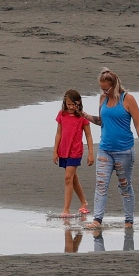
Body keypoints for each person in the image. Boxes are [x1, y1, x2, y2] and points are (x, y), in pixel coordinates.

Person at [86, 67, 139, 231]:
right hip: (105, 149)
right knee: (101, 184)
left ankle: (129, 221)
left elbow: (138, 124)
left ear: (114, 85)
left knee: (125, 186)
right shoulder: (102, 100)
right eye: (102, 88)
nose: (104, 91)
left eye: (107, 88)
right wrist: (84, 115)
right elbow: (101, 121)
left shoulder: (128, 99)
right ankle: (97, 220)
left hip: (124, 151)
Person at [52, 88, 96, 217]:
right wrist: (55, 151)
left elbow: (88, 135)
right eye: (68, 104)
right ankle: (83, 202)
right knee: (73, 178)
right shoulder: (61, 114)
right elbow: (59, 133)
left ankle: (66, 209)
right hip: (63, 150)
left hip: (75, 150)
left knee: (67, 178)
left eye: (73, 104)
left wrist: (91, 153)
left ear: (79, 103)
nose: (70, 107)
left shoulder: (82, 116)